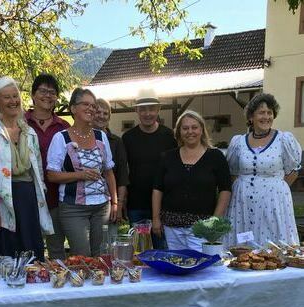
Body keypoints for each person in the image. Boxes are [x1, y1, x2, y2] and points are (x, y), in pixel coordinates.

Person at [47, 88, 119, 257]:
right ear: (73, 108)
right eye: (85, 104)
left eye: (93, 106)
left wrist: (115, 202)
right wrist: (80, 175)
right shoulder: (61, 138)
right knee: (83, 256)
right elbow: (51, 175)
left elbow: (109, 172)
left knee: (101, 255)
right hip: (73, 208)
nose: (91, 109)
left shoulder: (101, 136)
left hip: (102, 206)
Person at [224, 93, 302, 247]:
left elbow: (293, 172)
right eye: (261, 112)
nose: (266, 117)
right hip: (242, 203)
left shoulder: (283, 140)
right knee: (242, 246)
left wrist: (274, 190)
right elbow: (233, 173)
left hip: (273, 203)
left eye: (269, 113)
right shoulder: (238, 142)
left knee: (272, 246)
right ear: (251, 117)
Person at [0, 77, 53, 260]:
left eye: (15, 96)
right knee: (5, 250)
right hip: (1, 200)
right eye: (7, 97)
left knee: (31, 248)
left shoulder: (29, 132)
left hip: (28, 197)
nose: (13, 101)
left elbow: (38, 172)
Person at [152, 110, 231, 251]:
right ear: (179, 132)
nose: (190, 132)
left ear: (202, 130)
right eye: (185, 128)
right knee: (176, 266)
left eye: (194, 127)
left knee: (201, 267)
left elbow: (225, 190)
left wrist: (215, 221)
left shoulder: (215, 156)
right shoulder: (168, 157)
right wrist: (156, 218)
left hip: (202, 229)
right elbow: (158, 189)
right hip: (171, 228)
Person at [122, 88, 177, 249]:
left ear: (158, 109)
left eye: (151, 109)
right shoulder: (128, 138)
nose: (148, 113)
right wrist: (122, 201)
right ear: (136, 110)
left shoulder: (169, 136)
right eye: (143, 109)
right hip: (136, 204)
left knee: (163, 251)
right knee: (140, 253)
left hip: (164, 205)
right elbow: (124, 171)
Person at [25, 73, 70, 260]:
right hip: (26, 194)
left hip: (55, 195)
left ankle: (56, 282)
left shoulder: (64, 126)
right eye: (43, 91)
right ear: (33, 94)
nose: (48, 96)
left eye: (52, 92)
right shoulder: (20, 122)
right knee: (28, 246)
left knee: (56, 247)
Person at [92, 98, 129, 220]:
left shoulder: (117, 142)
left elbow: (123, 176)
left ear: (109, 117)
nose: (101, 116)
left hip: (109, 203)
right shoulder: (78, 139)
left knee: (109, 238)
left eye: (105, 113)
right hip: (84, 201)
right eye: (98, 112)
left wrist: (119, 205)